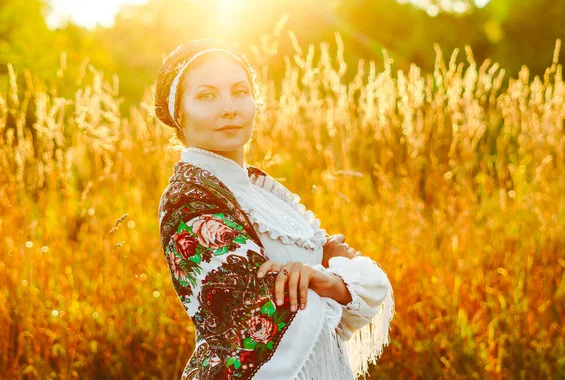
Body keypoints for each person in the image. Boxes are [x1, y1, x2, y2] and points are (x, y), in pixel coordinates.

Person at [154, 39, 395, 379]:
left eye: (240, 91)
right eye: (207, 96)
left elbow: (372, 282)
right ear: (178, 114)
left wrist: (327, 281)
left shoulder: (263, 191)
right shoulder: (189, 198)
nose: (229, 107)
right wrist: (334, 283)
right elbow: (270, 315)